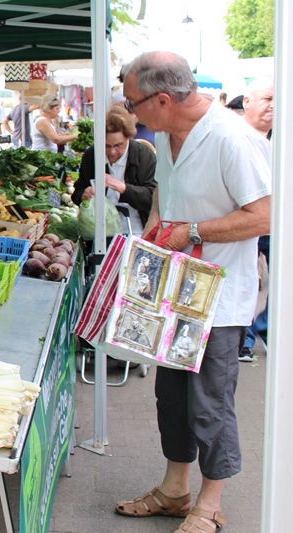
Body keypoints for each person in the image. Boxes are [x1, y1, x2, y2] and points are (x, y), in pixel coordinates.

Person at [115, 51, 270, 533]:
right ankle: (175, 490)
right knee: (173, 398)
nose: (128, 110)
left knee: (211, 403)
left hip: (218, 300)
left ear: (163, 100)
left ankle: (210, 502)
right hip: (174, 292)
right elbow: (165, 192)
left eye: (132, 101)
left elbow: (264, 216)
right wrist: (155, 236)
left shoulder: (233, 139)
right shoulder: (167, 131)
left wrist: (192, 233)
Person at [72, 105, 157, 234]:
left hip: (138, 231)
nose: (112, 152)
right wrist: (83, 194)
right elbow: (77, 192)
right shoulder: (92, 155)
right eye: (106, 146)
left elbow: (152, 198)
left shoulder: (144, 155)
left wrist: (122, 187)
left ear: (128, 138)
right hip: (100, 232)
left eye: (118, 145)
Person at [239, 76, 274, 362]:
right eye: (267, 99)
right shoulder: (235, 138)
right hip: (246, 222)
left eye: (276, 99)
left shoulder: (283, 138)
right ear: (247, 102)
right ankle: (246, 339)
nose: (272, 106)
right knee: (248, 279)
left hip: (278, 226)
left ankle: (264, 327)